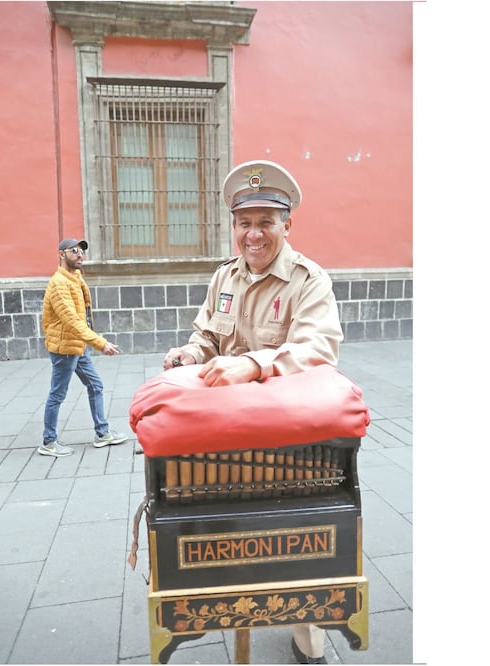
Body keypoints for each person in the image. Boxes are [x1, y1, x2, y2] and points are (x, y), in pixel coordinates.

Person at [162, 160, 343, 664]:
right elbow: (206, 335)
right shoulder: (224, 275)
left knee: (297, 542)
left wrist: (253, 363)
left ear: (287, 224)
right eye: (245, 223)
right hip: (226, 435)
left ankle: (308, 639)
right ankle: (231, 606)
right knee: (233, 536)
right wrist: (190, 354)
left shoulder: (309, 280)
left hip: (291, 443)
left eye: (266, 221)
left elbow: (319, 349)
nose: (254, 233)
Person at [39, 238, 129, 457]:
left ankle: (102, 433)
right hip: (65, 348)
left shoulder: (74, 277)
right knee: (57, 394)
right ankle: (48, 442)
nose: (80, 255)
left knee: (95, 385)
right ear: (61, 254)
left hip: (76, 345)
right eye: (75, 251)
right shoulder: (60, 284)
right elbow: (72, 320)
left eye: (82, 252)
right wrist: (100, 343)